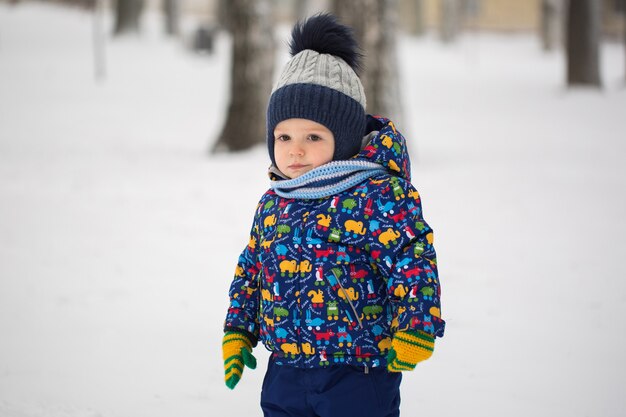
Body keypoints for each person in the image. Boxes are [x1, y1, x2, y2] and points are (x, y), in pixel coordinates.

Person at [222, 13, 445, 417]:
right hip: (285, 371)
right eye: (284, 137)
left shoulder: (376, 194)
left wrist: (416, 325)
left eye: (313, 137)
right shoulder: (274, 201)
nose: (296, 150)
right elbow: (252, 267)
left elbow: (411, 258)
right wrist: (239, 329)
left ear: (342, 138)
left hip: (357, 372)